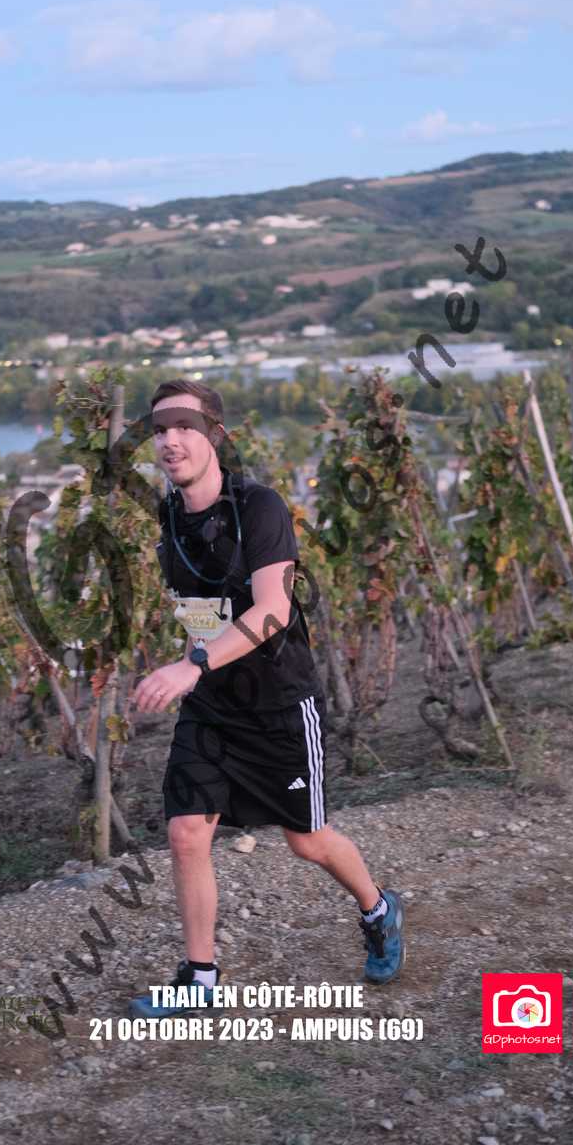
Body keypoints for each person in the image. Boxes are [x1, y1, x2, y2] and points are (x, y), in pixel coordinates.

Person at [129, 379, 404, 1017]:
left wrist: (191, 664)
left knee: (306, 840)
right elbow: (198, 608)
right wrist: (195, 668)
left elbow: (274, 610)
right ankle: (200, 981)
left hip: (278, 702)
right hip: (212, 705)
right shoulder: (170, 515)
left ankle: (379, 909)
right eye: (160, 430)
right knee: (186, 833)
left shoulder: (259, 506)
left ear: (216, 435)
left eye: (185, 426)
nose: (170, 441)